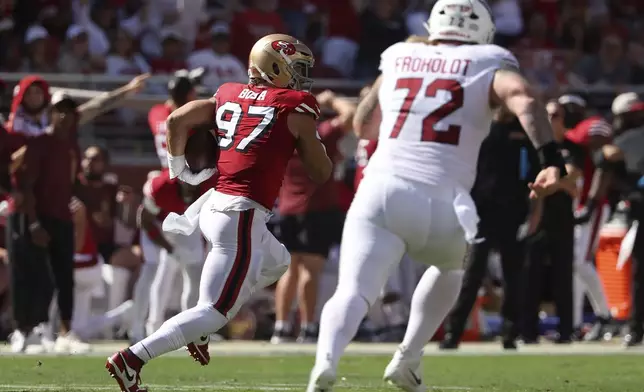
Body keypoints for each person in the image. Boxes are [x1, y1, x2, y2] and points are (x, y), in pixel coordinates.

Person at [307, 1, 569, 390]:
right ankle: (409, 356)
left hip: (382, 190)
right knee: (451, 267)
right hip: (446, 197)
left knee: (354, 290)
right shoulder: (488, 58)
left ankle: (324, 363)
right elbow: (524, 97)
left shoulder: (399, 54)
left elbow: (364, 126)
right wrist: (551, 159)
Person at [106, 33, 331, 391]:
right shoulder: (295, 104)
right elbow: (321, 172)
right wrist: (312, 139)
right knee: (214, 309)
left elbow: (178, 119)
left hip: (215, 205)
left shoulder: (227, 92)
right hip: (239, 213)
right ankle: (132, 358)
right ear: (275, 66)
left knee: (278, 262)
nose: (302, 77)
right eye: (296, 68)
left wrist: (178, 168)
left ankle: (201, 327)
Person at [440, 109, 539, 351]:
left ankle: (510, 333)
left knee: (513, 276)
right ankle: (453, 333)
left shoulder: (522, 132)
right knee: (471, 274)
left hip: (514, 212)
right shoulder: (478, 127)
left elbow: (536, 175)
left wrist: (534, 215)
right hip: (479, 213)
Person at [271, 89, 356, 344]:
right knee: (311, 270)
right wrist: (332, 99)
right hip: (316, 209)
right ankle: (308, 327)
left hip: (286, 208)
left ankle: (281, 326)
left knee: (290, 270)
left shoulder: (282, 135)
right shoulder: (321, 134)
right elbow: (351, 115)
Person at [520, 99, 585, 344]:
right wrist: (562, 182)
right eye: (547, 115)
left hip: (563, 220)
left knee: (563, 276)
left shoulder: (572, 147)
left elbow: (575, 179)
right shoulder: (535, 148)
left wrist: (555, 182)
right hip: (537, 218)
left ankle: (566, 331)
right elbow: (532, 184)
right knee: (531, 276)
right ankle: (527, 332)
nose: (551, 119)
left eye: (556, 115)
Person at [583, 93, 644, 346]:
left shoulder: (630, 139)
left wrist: (590, 205)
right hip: (637, 205)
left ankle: (636, 327)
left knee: (640, 271)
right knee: (639, 271)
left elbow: (606, 158)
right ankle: (636, 327)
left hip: (640, 206)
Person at [130, 169, 213, 342]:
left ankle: (190, 329)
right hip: (159, 226)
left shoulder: (210, 185)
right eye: (188, 183)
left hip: (188, 224)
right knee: (156, 271)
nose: (191, 188)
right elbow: (144, 220)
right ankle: (147, 327)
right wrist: (168, 248)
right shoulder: (161, 186)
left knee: (195, 275)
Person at [557, 94, 613, 340]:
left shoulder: (587, 128)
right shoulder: (567, 138)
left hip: (593, 204)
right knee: (574, 266)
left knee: (580, 262)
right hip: (576, 204)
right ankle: (577, 322)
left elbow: (600, 137)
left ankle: (605, 315)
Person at [148, 69, 203, 168]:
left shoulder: (156, 112)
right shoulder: (192, 121)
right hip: (187, 175)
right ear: (190, 95)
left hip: (166, 171)